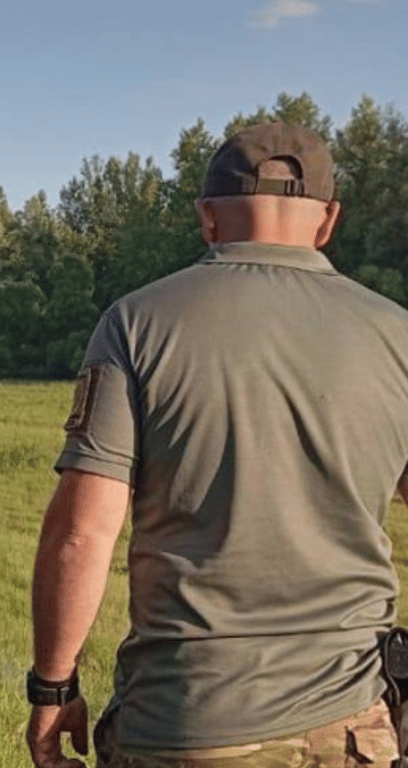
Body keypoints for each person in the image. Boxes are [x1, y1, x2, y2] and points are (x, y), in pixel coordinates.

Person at [25, 121, 408, 768]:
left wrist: (53, 688)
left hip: (181, 723)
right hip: (351, 726)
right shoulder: (398, 335)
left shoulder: (136, 324)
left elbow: (82, 533)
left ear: (207, 216)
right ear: (329, 221)